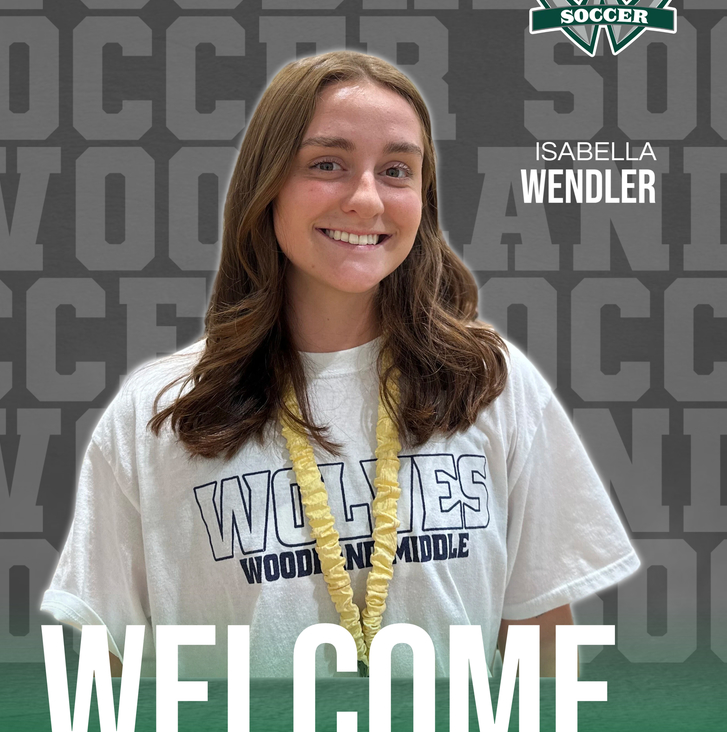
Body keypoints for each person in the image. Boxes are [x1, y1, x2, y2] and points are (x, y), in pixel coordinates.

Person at [41, 51, 639, 679]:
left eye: (397, 170)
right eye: (327, 164)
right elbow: (109, 684)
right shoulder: (157, 411)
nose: (365, 199)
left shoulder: (490, 384)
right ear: (265, 185)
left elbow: (542, 659)